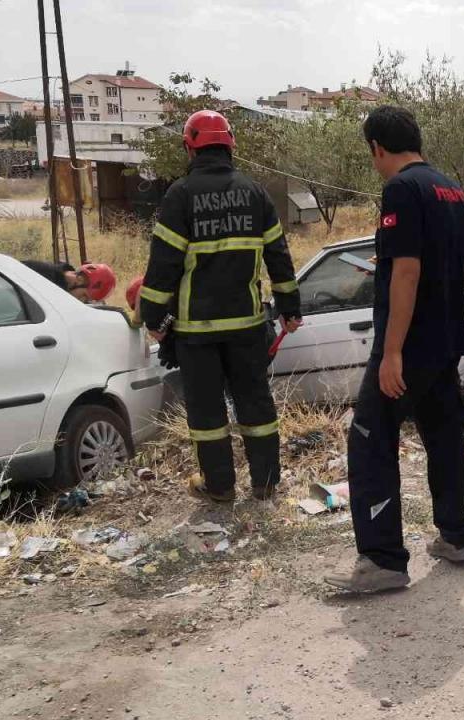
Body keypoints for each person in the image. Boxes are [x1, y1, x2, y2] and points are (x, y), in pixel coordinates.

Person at [325, 106, 464, 594]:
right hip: (447, 339)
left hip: (409, 345)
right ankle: (456, 536)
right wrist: (395, 264)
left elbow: (409, 272)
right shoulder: (450, 188)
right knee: (444, 436)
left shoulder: (400, 189)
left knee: (371, 441)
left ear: (377, 147)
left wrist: (392, 353)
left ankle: (384, 560)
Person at [137, 109, 302, 503]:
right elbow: (279, 256)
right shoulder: (255, 193)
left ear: (190, 147)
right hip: (247, 326)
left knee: (208, 414)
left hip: (198, 332)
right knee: (256, 404)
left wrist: (153, 316)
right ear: (230, 145)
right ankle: (265, 484)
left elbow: (163, 264)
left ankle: (220, 487)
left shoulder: (180, 196)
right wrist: (290, 308)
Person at [22, 260, 116, 303]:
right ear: (79, 280)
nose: (81, 301)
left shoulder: (58, 288)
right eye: (84, 296)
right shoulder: (41, 275)